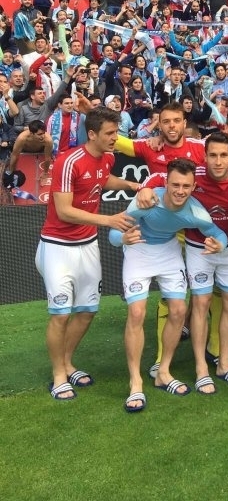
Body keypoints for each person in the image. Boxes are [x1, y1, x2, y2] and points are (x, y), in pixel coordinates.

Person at [35, 108, 138, 401]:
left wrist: (130, 184)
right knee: (60, 315)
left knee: (87, 310)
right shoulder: (68, 161)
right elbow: (64, 211)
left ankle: (67, 363)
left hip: (88, 245)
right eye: (110, 133)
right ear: (92, 134)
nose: (115, 138)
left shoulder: (107, 157)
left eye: (116, 132)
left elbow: (102, 180)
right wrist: (108, 220)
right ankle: (58, 375)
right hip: (57, 247)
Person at [109, 158, 228, 412]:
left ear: (193, 187)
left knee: (178, 311)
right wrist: (123, 238)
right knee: (136, 312)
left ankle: (163, 372)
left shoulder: (195, 211)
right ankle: (136, 382)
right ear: (166, 182)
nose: (180, 191)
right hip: (139, 250)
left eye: (186, 186)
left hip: (169, 252)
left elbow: (218, 233)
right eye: (175, 185)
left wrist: (220, 244)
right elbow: (113, 233)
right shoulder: (147, 202)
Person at [138, 132, 228, 393]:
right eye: (213, 155)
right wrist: (145, 188)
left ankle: (224, 363)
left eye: (223, 155)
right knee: (200, 303)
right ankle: (201, 368)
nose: (218, 161)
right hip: (199, 249)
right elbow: (161, 177)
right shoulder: (194, 175)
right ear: (205, 156)